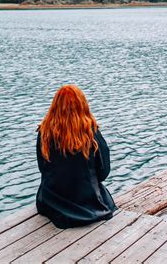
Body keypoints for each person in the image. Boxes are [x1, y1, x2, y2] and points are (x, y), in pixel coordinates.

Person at [36, 84, 116, 229]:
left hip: (53, 201)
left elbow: (42, 168)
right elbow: (104, 171)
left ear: (55, 105)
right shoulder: (91, 132)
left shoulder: (44, 132)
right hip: (89, 201)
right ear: (82, 104)